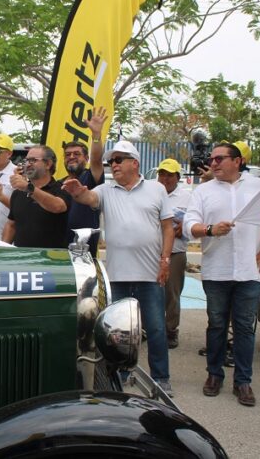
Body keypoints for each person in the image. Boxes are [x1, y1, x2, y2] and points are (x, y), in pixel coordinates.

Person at [63, 141, 175, 396]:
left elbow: (168, 228)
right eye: (111, 161)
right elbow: (88, 197)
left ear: (134, 163)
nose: (113, 165)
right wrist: (77, 191)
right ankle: (120, 374)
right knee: (118, 332)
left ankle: (161, 378)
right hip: (118, 275)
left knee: (156, 328)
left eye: (119, 160)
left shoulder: (157, 189)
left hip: (150, 274)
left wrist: (165, 260)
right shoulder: (106, 189)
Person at [183, 142, 260, 407]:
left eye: (219, 158)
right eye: (212, 159)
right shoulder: (203, 191)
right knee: (216, 325)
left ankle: (243, 382)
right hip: (217, 271)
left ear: (237, 161)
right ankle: (214, 375)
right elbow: (189, 225)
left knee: (244, 328)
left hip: (250, 271)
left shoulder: (258, 186)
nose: (213, 163)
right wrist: (210, 230)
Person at [2, 145, 70, 248]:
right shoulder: (18, 193)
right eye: (27, 160)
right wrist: (2, 248)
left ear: (48, 164)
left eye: (33, 160)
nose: (27, 164)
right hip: (22, 258)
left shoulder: (63, 188)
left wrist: (28, 188)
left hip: (52, 260)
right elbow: (11, 224)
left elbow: (58, 206)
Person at [156, 158, 191, 349]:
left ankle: (170, 331)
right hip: (152, 251)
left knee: (172, 294)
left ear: (178, 177)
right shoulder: (151, 192)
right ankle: (147, 327)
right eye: (162, 174)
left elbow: (195, 221)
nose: (165, 178)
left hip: (176, 252)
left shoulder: (187, 197)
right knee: (150, 292)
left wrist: (185, 226)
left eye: (169, 175)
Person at [61, 107, 106, 256]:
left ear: (86, 159)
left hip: (83, 252)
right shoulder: (59, 183)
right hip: (58, 251)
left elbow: (97, 159)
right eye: (68, 154)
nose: (71, 157)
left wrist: (96, 134)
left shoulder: (91, 178)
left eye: (77, 154)